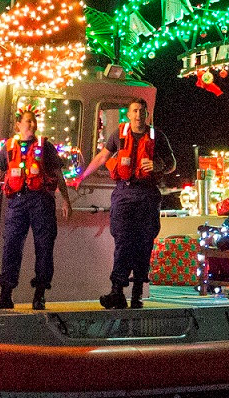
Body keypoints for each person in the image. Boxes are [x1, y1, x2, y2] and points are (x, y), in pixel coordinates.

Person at [73, 99, 176, 309]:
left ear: (147, 114)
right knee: (122, 241)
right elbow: (103, 157)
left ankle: (137, 293)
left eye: (142, 111)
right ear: (128, 114)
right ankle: (117, 292)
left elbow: (172, 163)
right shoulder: (118, 135)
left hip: (147, 194)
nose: (138, 115)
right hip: (124, 192)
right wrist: (82, 176)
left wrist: (159, 166)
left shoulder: (158, 137)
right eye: (135, 111)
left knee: (144, 243)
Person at [0, 107, 70, 310]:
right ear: (18, 125)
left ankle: (40, 294)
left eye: (33, 121)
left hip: (41, 201)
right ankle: (6, 294)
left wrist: (65, 200)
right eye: (27, 121)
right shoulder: (8, 148)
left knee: (44, 247)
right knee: (11, 246)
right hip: (17, 201)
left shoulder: (46, 147)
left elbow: (58, 175)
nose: (31, 125)